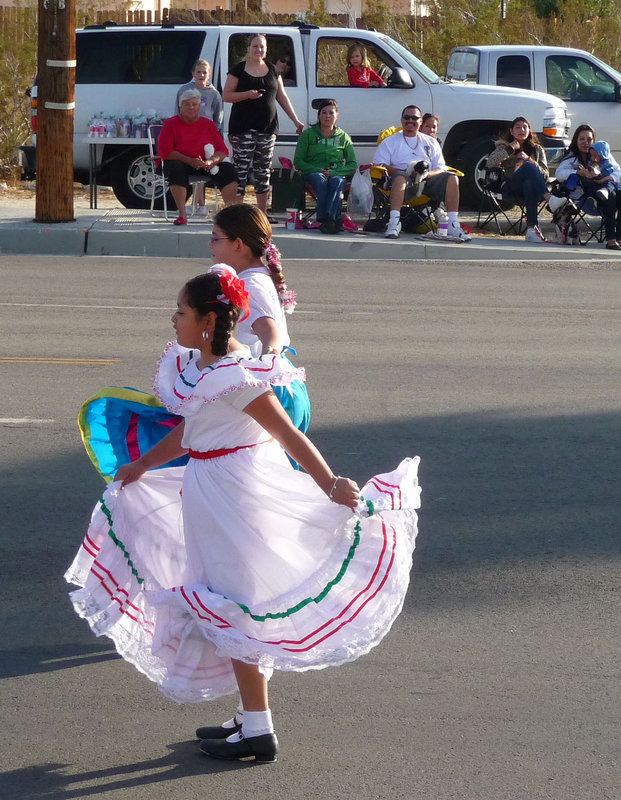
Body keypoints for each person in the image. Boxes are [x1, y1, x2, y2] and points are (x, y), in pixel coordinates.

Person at [65, 269, 421, 764]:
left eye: (182, 312)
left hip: (235, 496)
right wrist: (143, 463)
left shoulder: (235, 375)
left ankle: (258, 729)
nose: (174, 319)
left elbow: (289, 435)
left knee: (233, 604)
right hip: (211, 489)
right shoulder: (202, 370)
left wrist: (332, 484)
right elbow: (192, 430)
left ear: (209, 321)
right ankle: (249, 715)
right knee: (232, 599)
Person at [211, 204, 311, 436]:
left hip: (272, 393)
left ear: (238, 244)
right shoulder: (257, 275)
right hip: (281, 386)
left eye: (216, 238)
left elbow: (270, 332)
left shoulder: (250, 285)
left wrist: (266, 364)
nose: (210, 245)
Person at [222, 33, 304, 216]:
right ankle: (238, 214)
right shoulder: (238, 69)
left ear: (266, 50)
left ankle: (262, 215)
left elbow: (281, 96)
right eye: (255, 46)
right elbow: (226, 95)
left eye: (262, 47)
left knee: (263, 171)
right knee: (241, 170)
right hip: (242, 128)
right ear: (249, 49)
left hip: (267, 128)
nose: (258, 50)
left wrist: (295, 120)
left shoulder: (273, 70)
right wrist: (246, 95)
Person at [373, 105, 471, 240]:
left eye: (414, 118)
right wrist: (405, 172)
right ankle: (394, 222)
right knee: (401, 178)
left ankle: (452, 224)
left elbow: (441, 167)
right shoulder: (390, 141)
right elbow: (380, 165)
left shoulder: (431, 142)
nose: (410, 121)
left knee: (452, 178)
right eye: (407, 117)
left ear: (420, 121)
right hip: (401, 180)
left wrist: (426, 175)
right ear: (401, 120)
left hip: (427, 180)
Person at [158, 89, 238, 226]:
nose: (191, 108)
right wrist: (190, 160)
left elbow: (222, 150)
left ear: (199, 106)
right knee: (175, 167)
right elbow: (166, 151)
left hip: (205, 163)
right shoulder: (170, 124)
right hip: (182, 162)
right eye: (187, 105)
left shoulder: (208, 124)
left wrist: (211, 161)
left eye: (194, 104)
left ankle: (232, 215)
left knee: (228, 169)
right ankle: (182, 215)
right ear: (180, 106)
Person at [485, 116, 568, 243]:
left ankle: (531, 230)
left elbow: (545, 174)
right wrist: (510, 148)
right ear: (512, 131)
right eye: (518, 127)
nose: (521, 129)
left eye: (525, 127)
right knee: (528, 167)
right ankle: (549, 199)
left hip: (532, 189)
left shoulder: (537, 149)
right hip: (510, 187)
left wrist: (529, 159)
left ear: (529, 130)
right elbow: (490, 163)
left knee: (529, 183)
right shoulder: (503, 147)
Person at [294, 98, 357, 234]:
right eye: (324, 113)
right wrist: (318, 170)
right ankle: (328, 218)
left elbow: (352, 164)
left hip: (336, 173)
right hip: (313, 173)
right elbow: (298, 161)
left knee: (336, 181)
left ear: (337, 116)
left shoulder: (344, 137)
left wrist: (334, 172)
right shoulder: (308, 135)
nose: (327, 116)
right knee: (320, 179)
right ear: (319, 115)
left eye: (331, 113)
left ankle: (328, 218)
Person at [555, 123, 621, 250]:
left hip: (606, 186)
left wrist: (607, 178)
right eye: (582, 139)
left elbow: (618, 171)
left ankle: (619, 238)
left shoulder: (603, 154)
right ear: (576, 140)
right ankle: (611, 240)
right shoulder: (571, 158)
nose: (586, 142)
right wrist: (578, 172)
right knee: (610, 196)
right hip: (585, 195)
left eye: (589, 139)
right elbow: (559, 174)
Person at [174, 60, 224, 216]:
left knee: (200, 163)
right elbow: (177, 112)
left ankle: (199, 204)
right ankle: (200, 205)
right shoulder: (184, 90)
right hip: (186, 135)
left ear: (209, 75)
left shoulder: (214, 94)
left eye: (205, 72)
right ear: (193, 73)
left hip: (205, 138)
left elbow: (218, 118)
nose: (201, 75)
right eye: (198, 72)